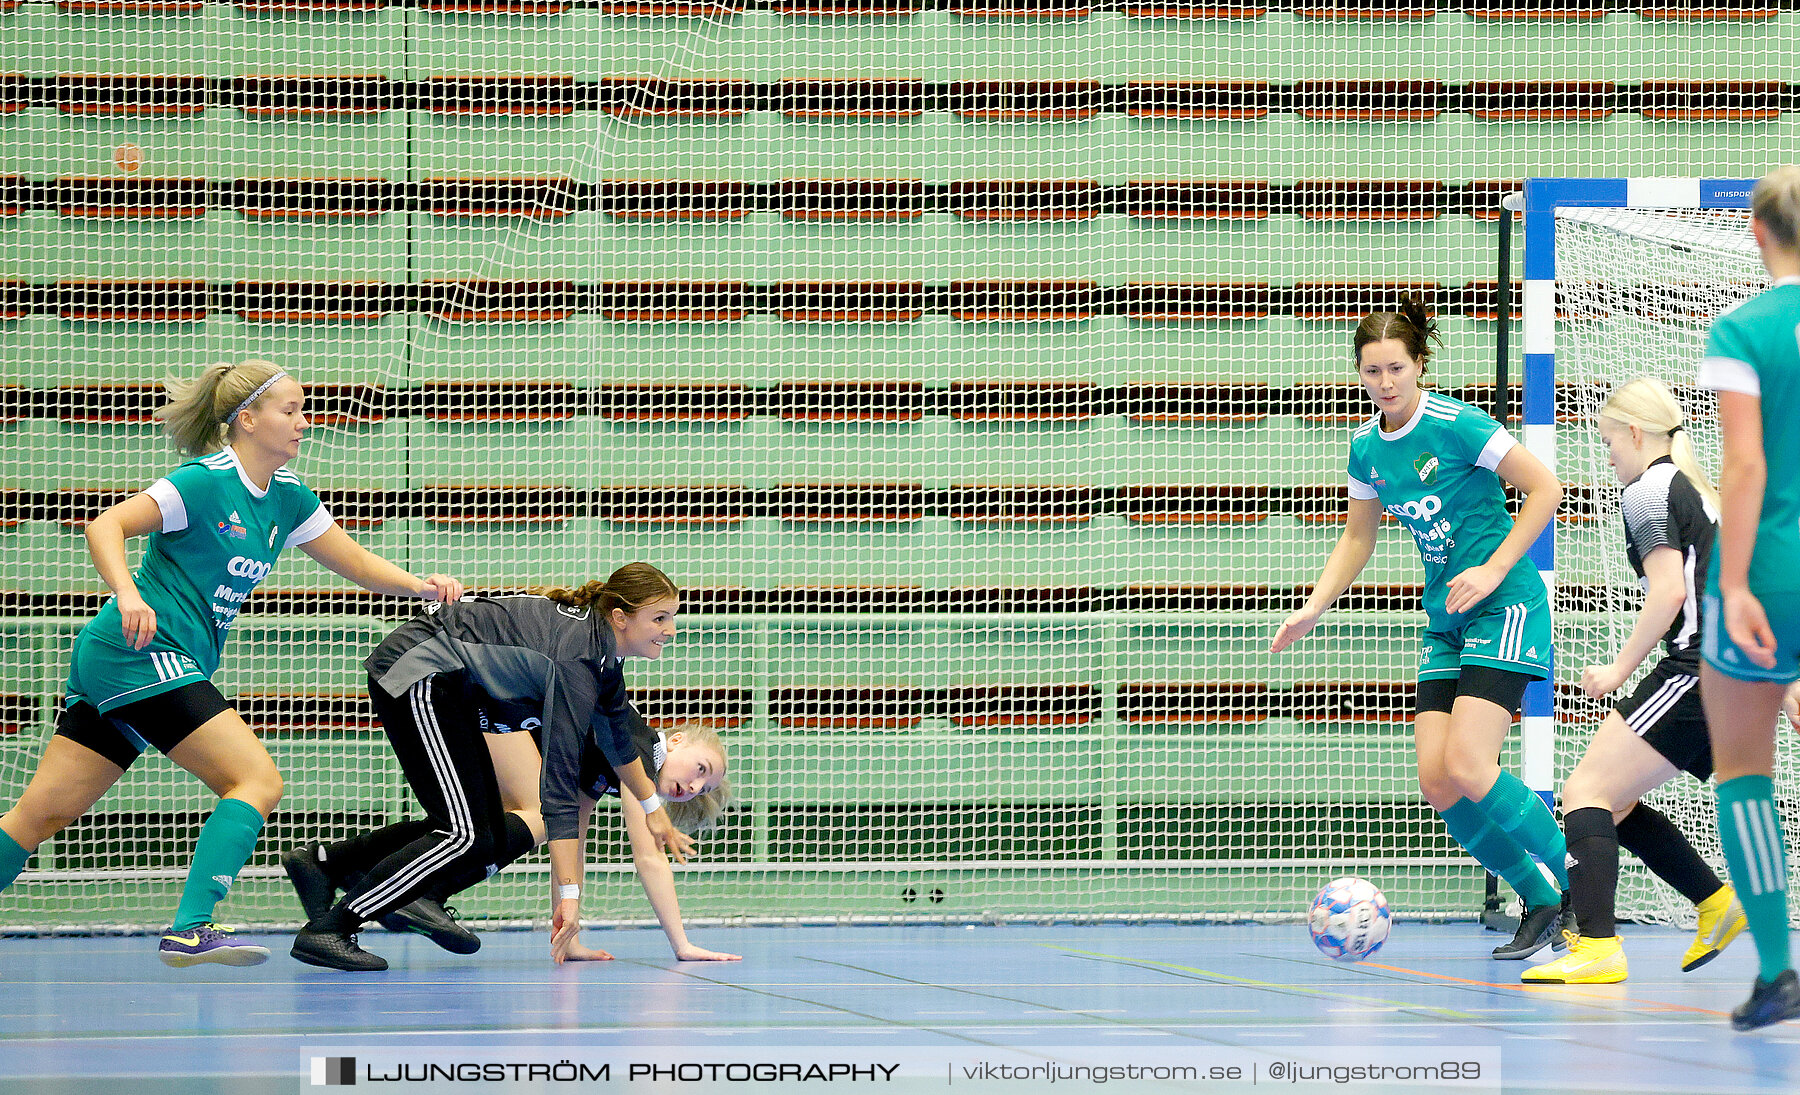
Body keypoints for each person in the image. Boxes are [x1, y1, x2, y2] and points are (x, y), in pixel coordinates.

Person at [0, 359, 463, 967]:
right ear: (247, 420)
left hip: (142, 662)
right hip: (139, 652)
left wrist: (420, 586)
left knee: (41, 815)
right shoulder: (202, 481)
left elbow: (353, 562)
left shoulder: (289, 498)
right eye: (290, 411)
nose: (305, 423)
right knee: (257, 780)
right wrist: (128, 594)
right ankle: (192, 926)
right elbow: (106, 524)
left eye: (303, 411)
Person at [1271, 294, 1571, 959]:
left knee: (1469, 762)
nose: (1385, 382)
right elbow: (1357, 537)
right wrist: (1314, 605)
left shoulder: (1459, 424)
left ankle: (1579, 878)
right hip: (1447, 622)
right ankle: (1540, 897)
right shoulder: (1366, 448)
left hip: (1504, 605)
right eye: (1372, 371)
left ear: (1419, 365)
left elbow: (1546, 488)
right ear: (1358, 372)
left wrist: (1493, 568)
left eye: (1396, 369)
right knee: (1438, 782)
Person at [282, 564, 733, 970]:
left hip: (457, 691)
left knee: (474, 829)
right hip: (423, 671)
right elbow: (559, 790)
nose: (670, 630)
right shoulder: (579, 663)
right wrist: (572, 900)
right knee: (465, 832)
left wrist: (653, 808)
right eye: (659, 618)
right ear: (620, 616)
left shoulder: (603, 662)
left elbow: (613, 740)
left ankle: (337, 868)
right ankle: (340, 925)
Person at [1523, 378, 1746, 984]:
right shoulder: (1698, 491)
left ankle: (1598, 947)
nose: (1608, 456)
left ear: (1635, 433)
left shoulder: (1648, 488)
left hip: (1697, 672)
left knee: (1584, 794)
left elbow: (1670, 589)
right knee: (1614, 803)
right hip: (1727, 677)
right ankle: (1715, 902)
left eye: (1607, 442)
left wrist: (1619, 668)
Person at [1695, 165, 1800, 1031]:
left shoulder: (1743, 327)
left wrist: (1730, 585)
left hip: (1768, 571)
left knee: (1744, 770)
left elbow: (1745, 463)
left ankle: (1779, 972)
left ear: (1756, 234)